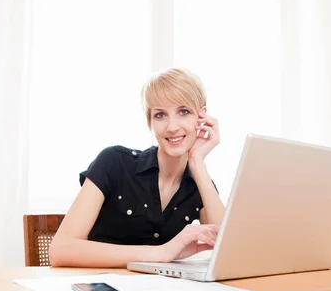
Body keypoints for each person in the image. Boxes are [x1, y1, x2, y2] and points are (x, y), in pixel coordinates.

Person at [49, 68, 225, 267]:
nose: (172, 127)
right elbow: (60, 250)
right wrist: (161, 252)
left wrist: (197, 163)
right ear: (150, 121)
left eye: (183, 112)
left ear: (201, 117)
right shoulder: (114, 162)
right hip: (104, 290)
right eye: (160, 115)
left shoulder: (199, 184)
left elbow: (228, 253)